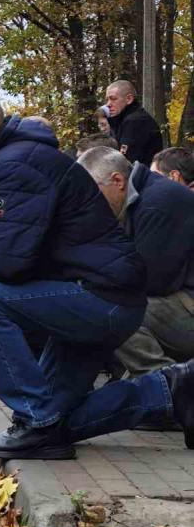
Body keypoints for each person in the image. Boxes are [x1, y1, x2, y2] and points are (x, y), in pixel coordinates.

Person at [0, 88, 190, 459]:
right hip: (99, 298)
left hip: (100, 300)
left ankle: (34, 420)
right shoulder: (23, 156)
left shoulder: (13, 163)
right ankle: (172, 392)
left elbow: (9, 266)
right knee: (58, 422)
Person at [78, 147, 194, 379]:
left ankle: (165, 383)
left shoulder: (157, 202)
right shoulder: (140, 198)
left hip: (187, 306)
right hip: (180, 301)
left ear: (118, 181)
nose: (90, 203)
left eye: (93, 193)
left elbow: (150, 281)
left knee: (108, 307)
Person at [104, 79, 164, 166]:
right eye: (107, 99)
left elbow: (126, 160)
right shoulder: (124, 119)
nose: (108, 104)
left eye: (113, 99)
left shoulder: (135, 121)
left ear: (129, 99)